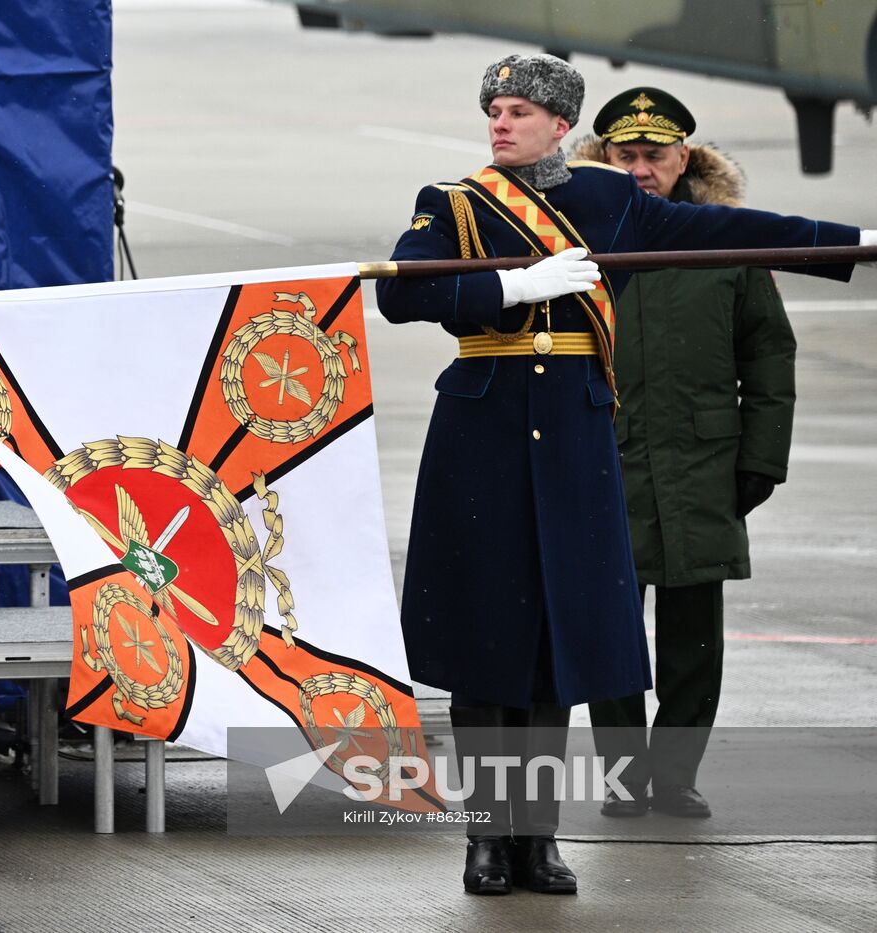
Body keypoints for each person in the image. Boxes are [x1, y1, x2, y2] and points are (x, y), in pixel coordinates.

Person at [375, 54, 874, 896]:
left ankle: (537, 840)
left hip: (573, 437)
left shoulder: (609, 201)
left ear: (561, 125)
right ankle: (486, 838)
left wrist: (851, 243)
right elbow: (401, 293)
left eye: (519, 111)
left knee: (555, 648)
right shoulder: (454, 202)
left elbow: (723, 232)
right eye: (495, 110)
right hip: (484, 438)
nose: (501, 122)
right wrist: (510, 286)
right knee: (486, 645)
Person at [571, 88, 795, 820]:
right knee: (610, 633)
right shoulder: (573, 240)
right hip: (605, 461)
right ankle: (623, 777)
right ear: (604, 157)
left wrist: (761, 459)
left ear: (684, 158)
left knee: (695, 638)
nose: (640, 170)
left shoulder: (726, 242)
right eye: (624, 156)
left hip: (704, 464)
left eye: (654, 155)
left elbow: (768, 352)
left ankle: (674, 776)